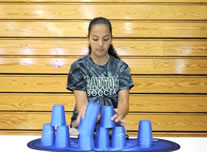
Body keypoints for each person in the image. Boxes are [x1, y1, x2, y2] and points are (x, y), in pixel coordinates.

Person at [66, 17, 134, 130]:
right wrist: (95, 116)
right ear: (88, 39)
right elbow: (82, 103)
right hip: (83, 127)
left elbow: (124, 102)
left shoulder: (121, 67)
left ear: (111, 39)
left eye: (106, 39)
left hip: (111, 128)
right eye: (95, 39)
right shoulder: (78, 67)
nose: (101, 44)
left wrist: (119, 113)